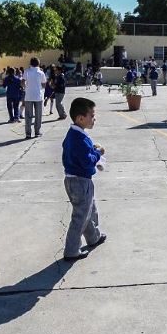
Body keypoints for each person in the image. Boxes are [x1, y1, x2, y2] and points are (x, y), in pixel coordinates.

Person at [62, 97, 107, 261]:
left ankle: (93, 236)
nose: (94, 119)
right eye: (92, 116)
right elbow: (87, 160)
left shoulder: (75, 134)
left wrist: (92, 150)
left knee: (90, 210)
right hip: (79, 182)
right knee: (80, 216)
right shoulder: (78, 138)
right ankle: (71, 250)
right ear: (81, 118)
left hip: (78, 180)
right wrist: (98, 153)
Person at [22, 57, 47, 139]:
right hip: (38, 96)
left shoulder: (26, 71)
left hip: (28, 96)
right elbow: (44, 84)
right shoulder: (41, 73)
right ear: (38, 64)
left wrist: (26, 88)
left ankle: (28, 133)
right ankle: (37, 132)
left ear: (30, 63)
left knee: (28, 115)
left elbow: (22, 82)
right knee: (38, 115)